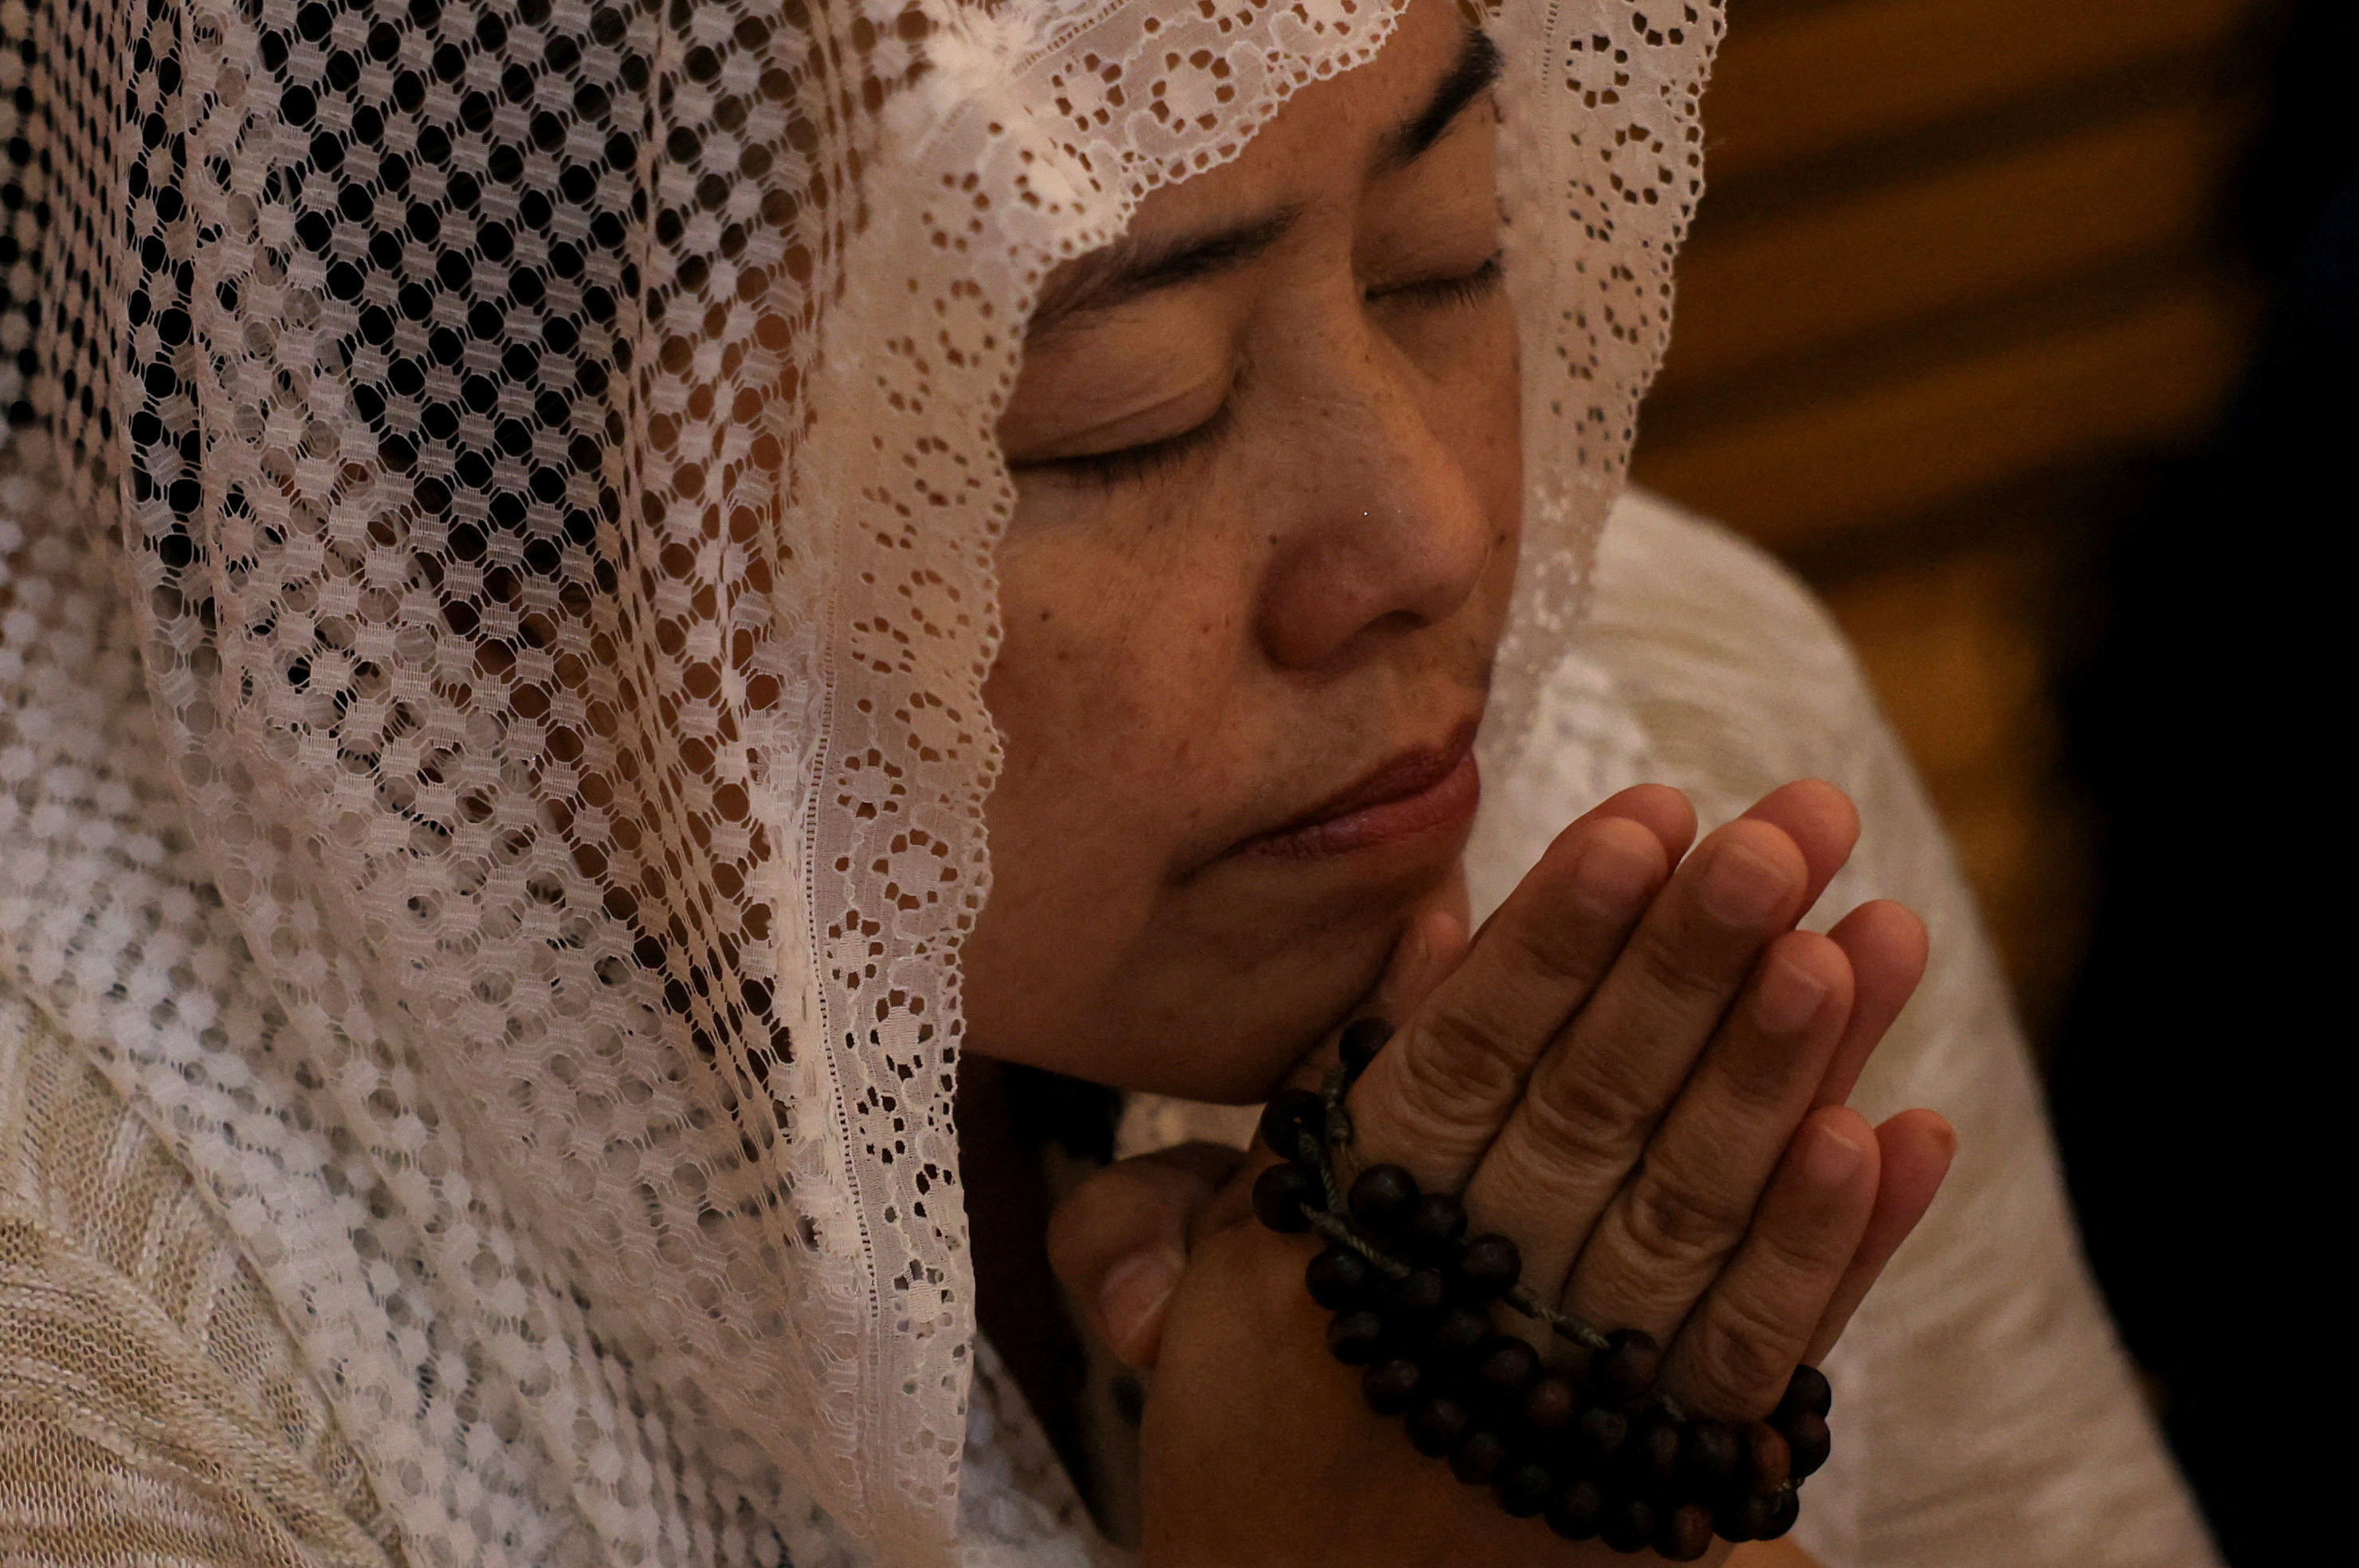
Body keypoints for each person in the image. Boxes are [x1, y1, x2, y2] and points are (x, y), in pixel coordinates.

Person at [0, 0, 2211, 1564]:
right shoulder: (96, 1352)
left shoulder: (1667, 736)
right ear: (406, 526)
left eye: (1445, 251)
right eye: (1114, 413)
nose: (1432, 537)